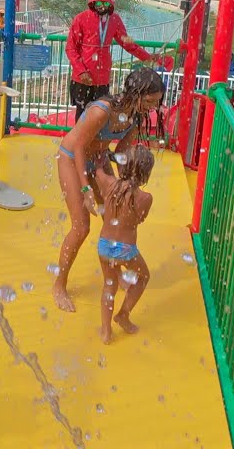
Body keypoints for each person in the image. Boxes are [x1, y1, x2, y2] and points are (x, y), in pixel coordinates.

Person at [53, 67, 164, 313]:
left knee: (115, 220)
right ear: (136, 93)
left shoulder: (134, 118)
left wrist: (134, 177)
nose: (153, 108)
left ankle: (116, 271)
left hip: (99, 161)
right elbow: (80, 147)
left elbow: (120, 154)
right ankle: (59, 284)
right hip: (72, 158)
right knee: (81, 226)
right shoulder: (102, 111)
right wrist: (86, 189)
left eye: (156, 103)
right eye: (150, 101)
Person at [66, 0, 162, 121]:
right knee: (82, 113)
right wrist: (81, 71)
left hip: (102, 77)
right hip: (82, 78)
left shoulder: (114, 20)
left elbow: (128, 44)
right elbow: (71, 48)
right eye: (99, 3)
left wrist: (147, 57)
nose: (102, 6)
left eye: (105, 3)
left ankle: (96, 142)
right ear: (93, 2)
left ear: (110, 4)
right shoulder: (81, 19)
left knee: (100, 113)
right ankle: (79, 142)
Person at [95, 145, 154, 344]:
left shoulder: (109, 183)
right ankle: (123, 315)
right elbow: (140, 219)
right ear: (146, 174)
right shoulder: (145, 198)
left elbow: (97, 170)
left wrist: (102, 153)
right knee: (143, 277)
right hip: (126, 250)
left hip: (104, 246)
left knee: (109, 287)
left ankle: (105, 331)